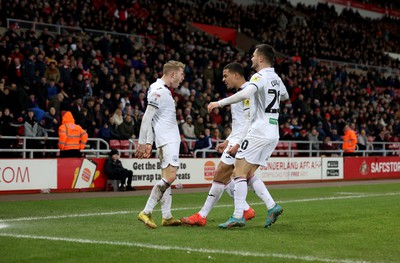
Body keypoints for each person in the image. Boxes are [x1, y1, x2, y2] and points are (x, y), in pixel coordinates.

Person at [208, 44, 289, 229]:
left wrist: (219, 103)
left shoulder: (259, 76)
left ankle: (238, 216)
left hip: (259, 130)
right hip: (273, 131)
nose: (251, 58)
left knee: (238, 172)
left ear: (261, 58)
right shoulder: (276, 78)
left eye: (253, 55)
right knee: (249, 172)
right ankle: (272, 206)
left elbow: (245, 93)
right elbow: (285, 96)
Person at [181, 62, 272, 226]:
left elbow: (251, 123)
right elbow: (239, 124)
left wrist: (240, 143)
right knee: (225, 176)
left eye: (225, 75)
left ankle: (205, 215)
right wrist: (228, 141)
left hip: (245, 140)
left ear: (236, 75)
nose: (223, 79)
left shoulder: (249, 92)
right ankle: (246, 209)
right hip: (237, 139)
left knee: (223, 174)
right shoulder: (241, 93)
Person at [136, 60, 185, 229]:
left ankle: (167, 216)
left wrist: (149, 141)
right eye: (181, 74)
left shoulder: (159, 89)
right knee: (170, 177)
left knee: (166, 178)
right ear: (172, 74)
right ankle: (146, 211)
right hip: (168, 140)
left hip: (165, 139)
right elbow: (147, 117)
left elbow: (154, 118)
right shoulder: (159, 91)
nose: (182, 78)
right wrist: (142, 142)